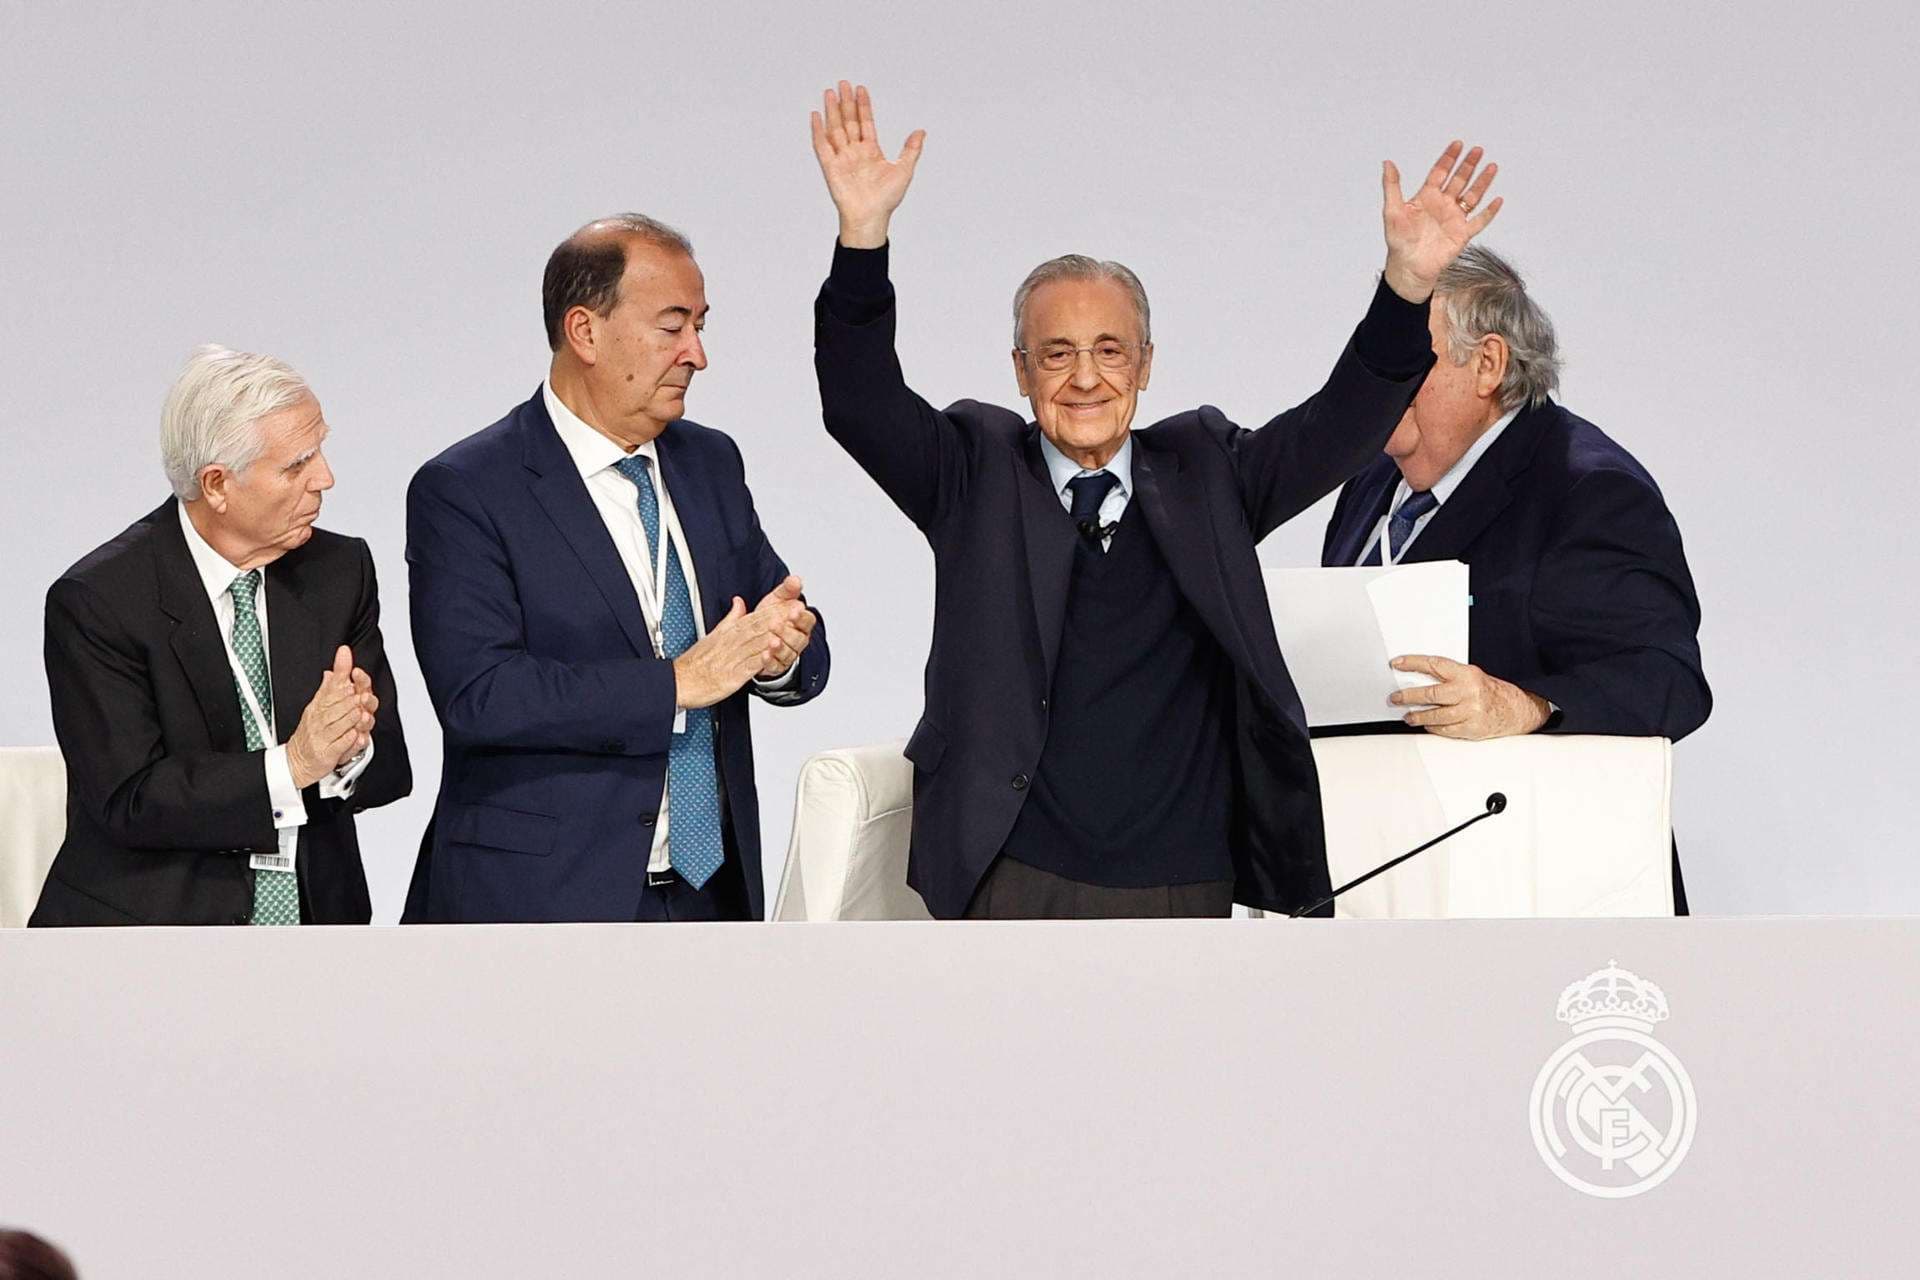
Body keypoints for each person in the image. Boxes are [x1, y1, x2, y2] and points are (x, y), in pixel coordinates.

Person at [810, 82, 1502, 918]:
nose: (1086, 377)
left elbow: (1337, 428)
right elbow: (859, 400)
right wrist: (862, 237)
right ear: (1021, 371)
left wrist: (1404, 287)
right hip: (1013, 872)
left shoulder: (1205, 468)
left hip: (1184, 875)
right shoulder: (972, 471)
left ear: (1145, 364)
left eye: (1110, 350)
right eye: (1056, 354)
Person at [405, 214, 828, 923]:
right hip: (543, 904)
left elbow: (777, 617)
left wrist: (781, 651)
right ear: (585, 332)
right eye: (672, 326)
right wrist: (676, 684)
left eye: (701, 325)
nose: (697, 353)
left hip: (710, 897)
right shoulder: (469, 488)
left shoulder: (711, 464)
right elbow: (481, 695)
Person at [1320, 245, 1710, 910]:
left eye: (1406, 360)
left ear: (1489, 364)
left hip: (1544, 898)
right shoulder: (1366, 485)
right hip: (1389, 891)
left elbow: (1666, 681)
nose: (1378, 382)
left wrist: (1520, 706)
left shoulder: (1588, 489)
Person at [33, 346, 409, 926]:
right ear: (216, 485)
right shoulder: (100, 601)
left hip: (318, 931)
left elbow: (388, 764)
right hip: (147, 933)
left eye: (321, 450)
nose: (325, 478)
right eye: (296, 465)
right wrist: (292, 766)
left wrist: (349, 748)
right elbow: (128, 798)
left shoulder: (338, 571)